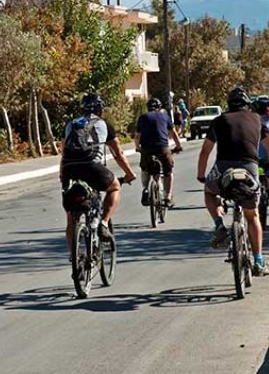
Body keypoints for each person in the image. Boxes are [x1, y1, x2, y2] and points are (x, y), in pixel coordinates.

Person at [196, 87, 269, 276]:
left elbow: (205, 152)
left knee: (209, 191)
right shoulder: (257, 119)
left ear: (229, 104)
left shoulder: (219, 120)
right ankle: (259, 260)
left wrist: (202, 176)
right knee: (253, 216)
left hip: (224, 168)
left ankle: (219, 225)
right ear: (247, 104)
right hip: (250, 168)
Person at [60, 93, 136, 256]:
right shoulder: (104, 125)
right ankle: (103, 223)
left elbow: (64, 153)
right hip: (92, 167)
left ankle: (75, 259)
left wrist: (63, 179)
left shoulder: (70, 125)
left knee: (71, 220)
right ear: (100, 109)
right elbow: (118, 154)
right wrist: (129, 174)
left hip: (69, 169)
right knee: (114, 187)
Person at [134, 97, 183, 207]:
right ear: (159, 107)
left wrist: (138, 148)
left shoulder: (142, 117)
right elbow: (173, 133)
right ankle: (167, 197)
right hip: (162, 148)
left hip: (146, 149)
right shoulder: (165, 116)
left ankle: (145, 189)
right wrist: (178, 146)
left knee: (145, 168)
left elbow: (137, 136)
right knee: (168, 172)